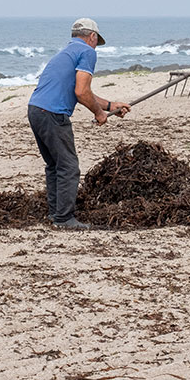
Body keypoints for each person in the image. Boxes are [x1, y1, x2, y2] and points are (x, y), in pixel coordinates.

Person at [28, 18, 131, 230]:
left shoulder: (66, 52)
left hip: (36, 109)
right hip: (53, 113)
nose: (96, 46)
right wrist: (99, 113)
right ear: (92, 36)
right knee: (69, 166)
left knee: (55, 166)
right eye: (96, 41)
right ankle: (64, 219)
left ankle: (55, 214)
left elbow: (83, 91)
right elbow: (81, 92)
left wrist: (111, 105)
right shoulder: (87, 52)